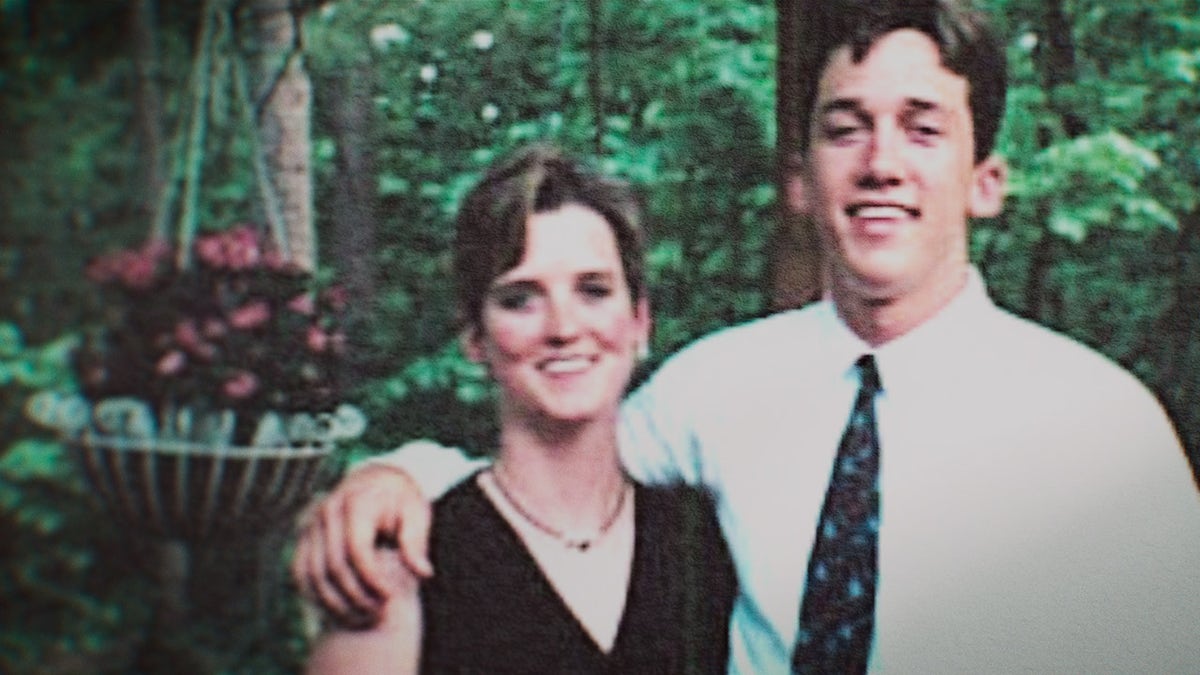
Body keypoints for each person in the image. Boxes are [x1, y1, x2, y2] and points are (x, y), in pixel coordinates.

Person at [296, 1, 1200, 672]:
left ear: (987, 180)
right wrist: (398, 472)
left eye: (923, 130)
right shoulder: (714, 389)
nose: (881, 161)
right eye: (846, 130)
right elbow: (555, 464)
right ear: (801, 180)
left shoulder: (1107, 434)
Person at [303, 145, 736, 674]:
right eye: (520, 299)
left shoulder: (703, 538)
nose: (563, 328)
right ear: (475, 338)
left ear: (640, 321)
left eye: (593, 291)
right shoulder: (407, 557)